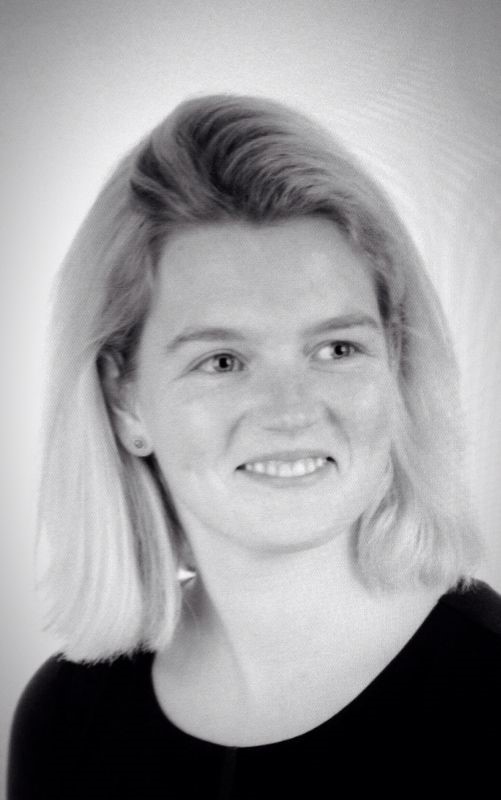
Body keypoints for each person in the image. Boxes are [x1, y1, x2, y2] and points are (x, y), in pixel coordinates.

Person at [7, 94, 501, 799]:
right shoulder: (67, 719)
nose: (292, 412)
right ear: (124, 399)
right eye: (223, 361)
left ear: (394, 363)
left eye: (336, 348)